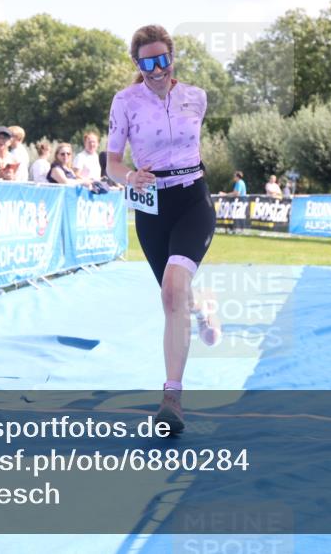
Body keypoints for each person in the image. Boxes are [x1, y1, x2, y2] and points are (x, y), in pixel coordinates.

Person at [105, 24, 219, 433]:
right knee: (175, 298)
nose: (156, 68)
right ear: (137, 64)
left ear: (173, 57)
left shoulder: (196, 97)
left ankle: (172, 396)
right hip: (151, 207)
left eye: (162, 59)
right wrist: (130, 176)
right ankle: (203, 308)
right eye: (146, 62)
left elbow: (193, 147)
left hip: (192, 198)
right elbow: (112, 164)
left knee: (173, 289)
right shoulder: (125, 102)